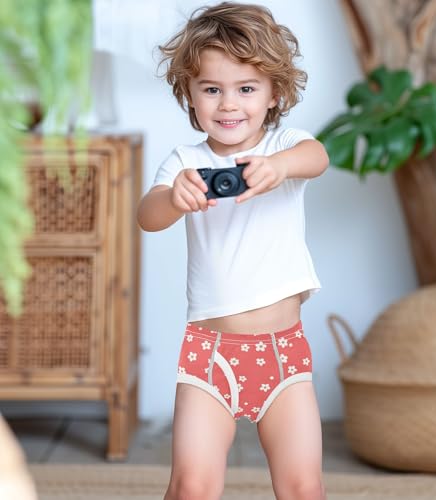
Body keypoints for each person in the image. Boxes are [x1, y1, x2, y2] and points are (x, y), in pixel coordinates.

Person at [137, 2, 329, 499]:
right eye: (211, 89)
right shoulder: (185, 162)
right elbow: (148, 216)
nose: (228, 105)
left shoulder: (285, 146)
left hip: (284, 354)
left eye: (246, 89)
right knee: (191, 486)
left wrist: (279, 168)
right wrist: (173, 198)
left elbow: (317, 157)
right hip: (210, 356)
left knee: (303, 487)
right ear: (189, 93)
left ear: (274, 93)